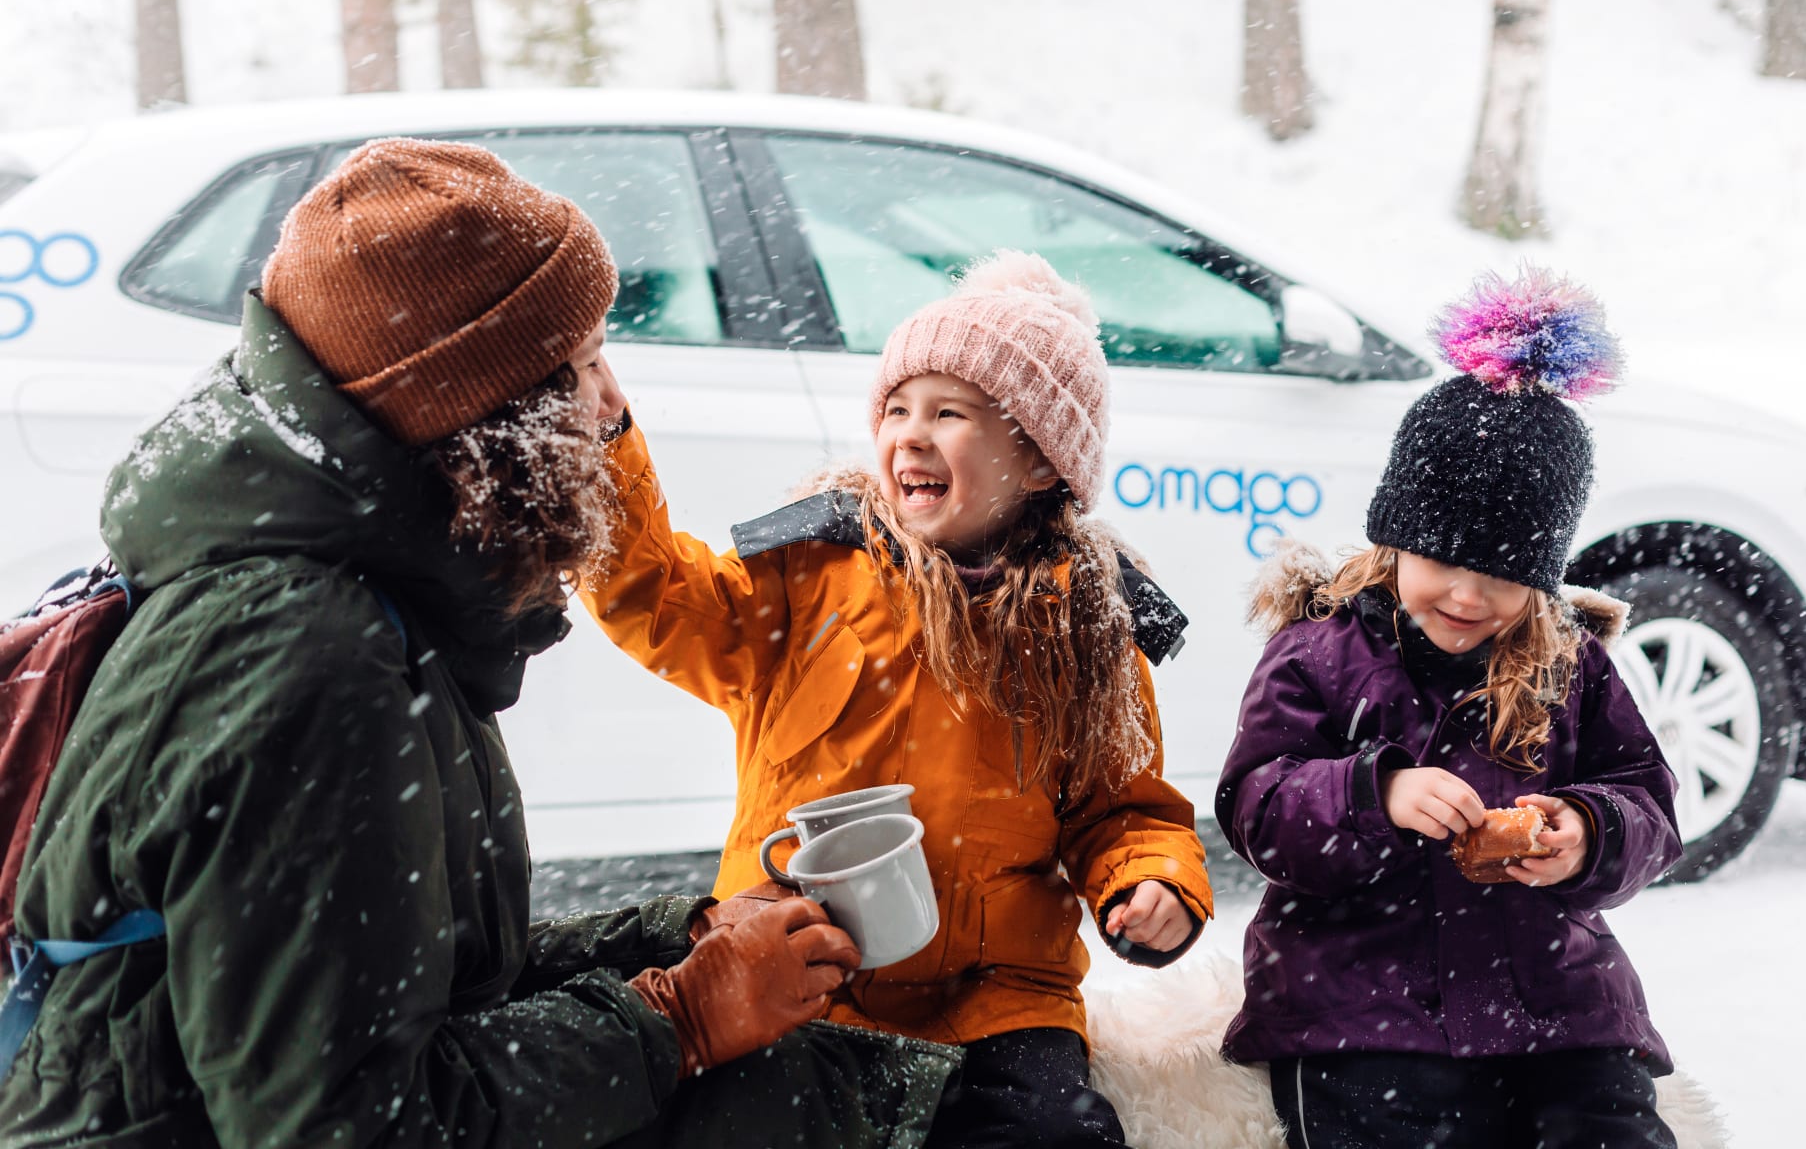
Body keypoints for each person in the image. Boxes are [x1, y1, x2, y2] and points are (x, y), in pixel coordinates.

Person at [0, 138, 959, 1147]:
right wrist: (677, 1017)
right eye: (582, 367)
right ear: (488, 419)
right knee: (818, 1100)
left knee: (827, 1077)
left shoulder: (363, 593)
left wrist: (682, 939)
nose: (613, 405)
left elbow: (415, 984)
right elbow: (344, 1126)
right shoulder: (311, 662)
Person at [581, 250, 1215, 1147]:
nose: (910, 436)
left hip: (998, 1000)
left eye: (949, 414)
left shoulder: (1088, 631)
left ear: (1040, 462)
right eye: (896, 408)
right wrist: (604, 441)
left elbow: (1123, 809)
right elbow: (652, 594)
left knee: (1058, 1136)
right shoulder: (809, 577)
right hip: (798, 971)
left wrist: (1153, 882)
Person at [1216, 268, 1683, 1149]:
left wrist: (1589, 831)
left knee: (1608, 1128)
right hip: (1360, 1002)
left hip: (1556, 1003)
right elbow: (1257, 806)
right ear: (1395, 539)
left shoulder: (1569, 664)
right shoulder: (1319, 652)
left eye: (1503, 573)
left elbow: (1647, 798)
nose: (1468, 595)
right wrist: (1373, 795)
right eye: (1441, 559)